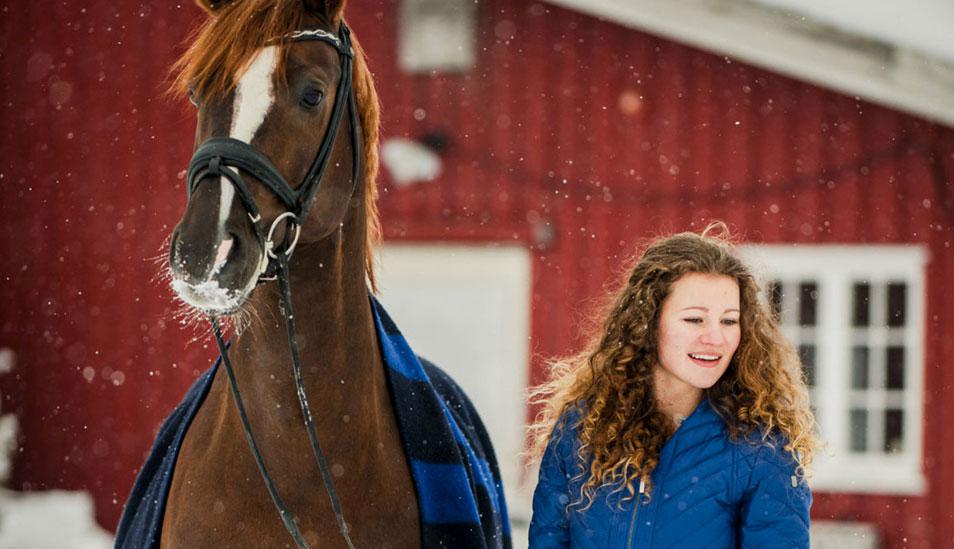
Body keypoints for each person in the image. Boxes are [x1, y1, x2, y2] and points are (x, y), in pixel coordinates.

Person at [528, 222, 818, 548]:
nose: (715, 338)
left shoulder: (761, 448)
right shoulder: (581, 428)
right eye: (694, 319)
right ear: (648, 323)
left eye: (729, 321)